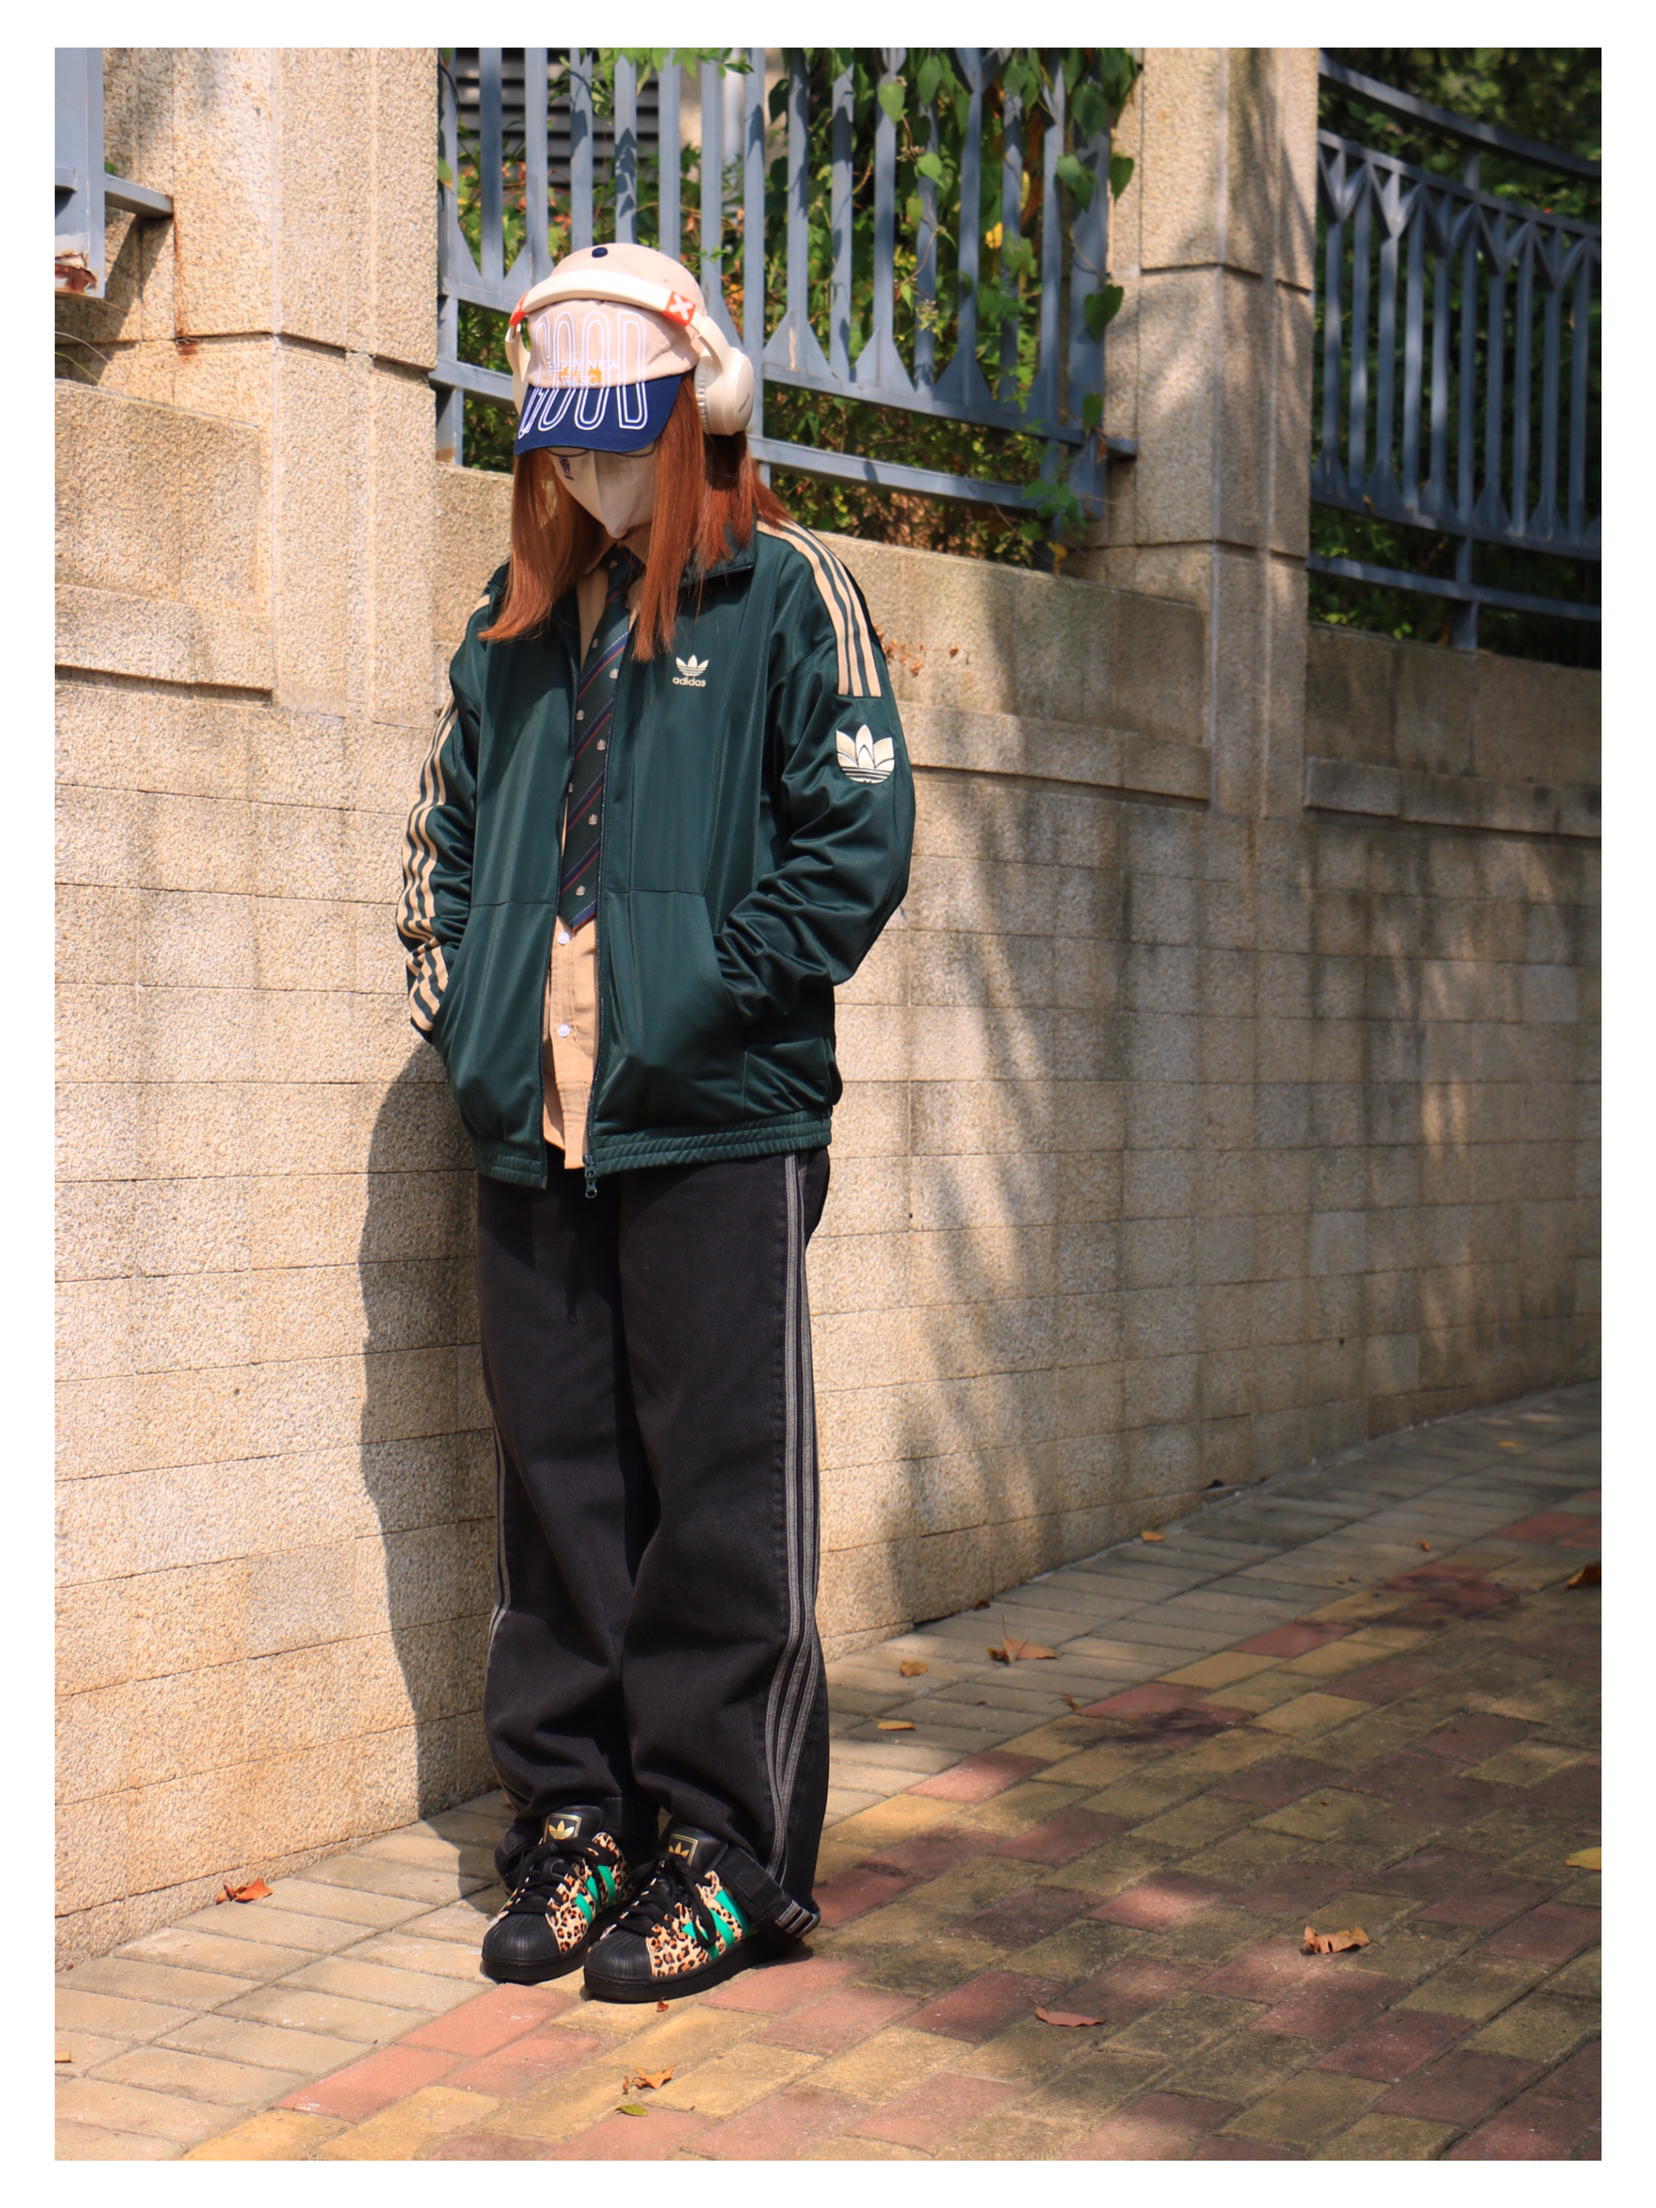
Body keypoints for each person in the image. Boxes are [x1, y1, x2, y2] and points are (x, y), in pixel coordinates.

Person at [397, 242, 914, 2002]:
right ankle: (579, 1821)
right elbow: (443, 839)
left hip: (717, 1127)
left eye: (623, 437)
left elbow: (855, 847)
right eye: (569, 440)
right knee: (559, 1493)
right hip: (533, 1127)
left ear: (701, 416)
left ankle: (729, 1855)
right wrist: (479, 1024)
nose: (594, 469)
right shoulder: (512, 621)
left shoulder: (789, 595)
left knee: (717, 1503)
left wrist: (698, 1004)